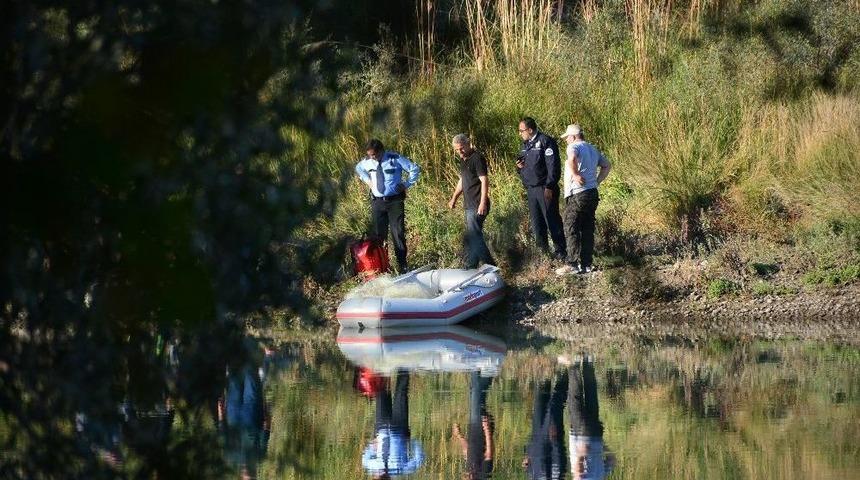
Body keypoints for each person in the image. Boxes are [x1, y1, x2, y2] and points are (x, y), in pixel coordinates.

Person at [355, 139, 421, 274]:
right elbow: (358, 168)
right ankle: (383, 267)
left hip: (395, 202)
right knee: (379, 237)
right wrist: (367, 180)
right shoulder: (367, 162)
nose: (372, 158)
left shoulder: (394, 158)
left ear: (381, 151)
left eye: (374, 155)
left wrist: (406, 184)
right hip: (378, 202)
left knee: (398, 233)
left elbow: (414, 169)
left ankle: (403, 266)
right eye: (370, 155)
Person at [555, 124, 611, 276]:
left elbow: (572, 158)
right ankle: (586, 264)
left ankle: (572, 264)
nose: (566, 140)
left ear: (573, 136)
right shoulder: (593, 149)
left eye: (567, 137)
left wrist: (575, 174)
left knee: (570, 226)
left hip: (578, 193)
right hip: (592, 192)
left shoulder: (574, 146)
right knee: (587, 228)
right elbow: (606, 165)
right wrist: (597, 181)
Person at [516, 117, 566, 260]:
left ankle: (561, 252)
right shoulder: (525, 145)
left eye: (522, 131)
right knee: (537, 223)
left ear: (530, 130)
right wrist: (519, 168)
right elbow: (522, 165)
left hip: (545, 188)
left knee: (552, 220)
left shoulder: (546, 141)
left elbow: (553, 166)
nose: (520, 134)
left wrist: (550, 186)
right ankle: (543, 254)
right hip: (531, 189)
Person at [361, 370, 424, 477]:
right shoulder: (401, 469)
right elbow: (419, 459)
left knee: (381, 392)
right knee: (401, 392)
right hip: (400, 428)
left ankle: (385, 365)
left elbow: (364, 459)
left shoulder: (372, 466)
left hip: (381, 427)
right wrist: (411, 442)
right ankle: (403, 365)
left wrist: (372, 446)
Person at [447, 134, 496, 269]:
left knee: (475, 237)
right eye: (456, 150)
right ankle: (472, 266)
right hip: (469, 205)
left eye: (461, 148)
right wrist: (454, 198)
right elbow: (462, 180)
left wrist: (483, 203)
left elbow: (484, 181)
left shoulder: (477, 158)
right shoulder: (464, 159)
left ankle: (490, 266)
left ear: (468, 144)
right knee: (474, 235)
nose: (459, 152)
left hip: (477, 204)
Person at [568, 356, 614, 480]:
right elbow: (578, 472)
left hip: (597, 436)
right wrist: (582, 454)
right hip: (580, 437)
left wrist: (602, 446)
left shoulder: (600, 477)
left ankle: (588, 362)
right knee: (575, 399)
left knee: (591, 398)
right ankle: (575, 363)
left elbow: (612, 460)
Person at [522, 369, 568, 479]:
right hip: (552, 436)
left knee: (539, 399)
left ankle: (545, 366)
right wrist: (555, 441)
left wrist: (527, 460)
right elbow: (559, 460)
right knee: (555, 403)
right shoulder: (556, 477)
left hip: (536, 440)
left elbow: (529, 468)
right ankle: (567, 369)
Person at [452, 371, 495, 479]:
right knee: (476, 392)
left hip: (473, 426)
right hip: (480, 428)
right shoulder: (483, 474)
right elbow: (489, 452)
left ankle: (489, 370)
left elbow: (467, 451)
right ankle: (478, 365)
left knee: (475, 392)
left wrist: (459, 435)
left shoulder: (470, 471)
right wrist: (486, 428)